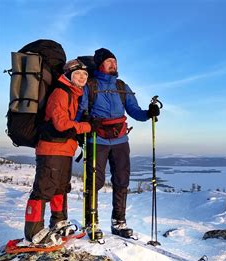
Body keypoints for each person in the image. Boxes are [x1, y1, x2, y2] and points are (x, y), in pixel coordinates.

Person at [77, 48, 160, 239]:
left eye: (115, 61)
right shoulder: (90, 86)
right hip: (96, 139)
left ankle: (119, 222)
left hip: (121, 140)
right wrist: (87, 121)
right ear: (100, 65)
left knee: (122, 180)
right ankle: (91, 223)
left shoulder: (122, 86)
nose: (114, 64)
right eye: (109, 62)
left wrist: (149, 113)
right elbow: (80, 112)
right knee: (94, 182)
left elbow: (134, 111)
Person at [24, 59, 92, 245]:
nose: (82, 77)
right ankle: (34, 231)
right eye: (78, 73)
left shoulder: (73, 95)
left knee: (60, 187)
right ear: (68, 74)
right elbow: (60, 124)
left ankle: (59, 221)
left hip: (64, 150)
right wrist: (85, 126)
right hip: (51, 149)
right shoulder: (60, 93)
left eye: (85, 74)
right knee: (43, 189)